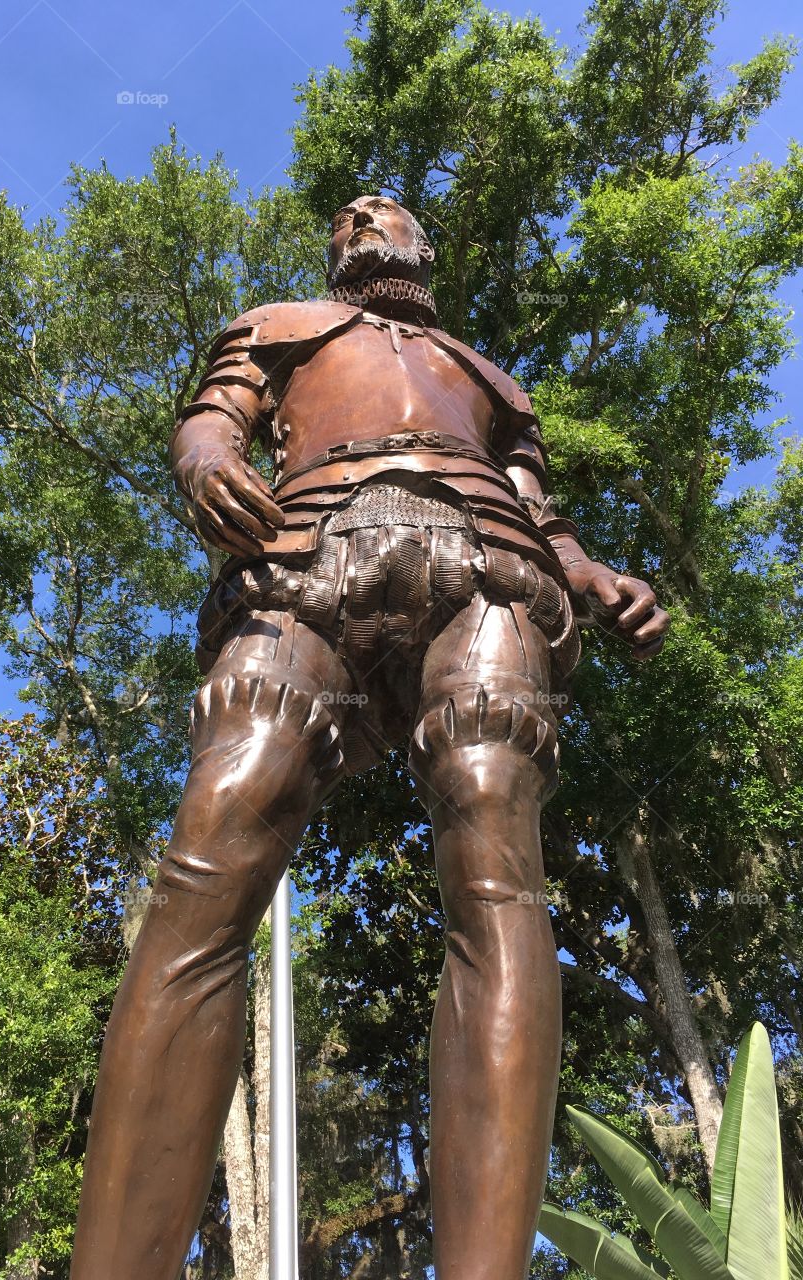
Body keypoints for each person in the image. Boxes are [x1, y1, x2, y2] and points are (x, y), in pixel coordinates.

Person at [70, 194, 670, 1280]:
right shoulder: (280, 323)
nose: (358, 219)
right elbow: (214, 417)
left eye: (379, 212)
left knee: (496, 847)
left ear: (418, 243)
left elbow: (538, 506)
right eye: (346, 218)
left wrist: (592, 573)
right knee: (213, 841)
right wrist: (204, 459)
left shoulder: (492, 378)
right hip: (301, 561)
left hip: (489, 568)